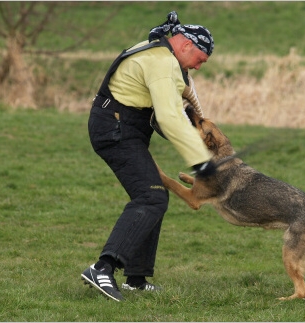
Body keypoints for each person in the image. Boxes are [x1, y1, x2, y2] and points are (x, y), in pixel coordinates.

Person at [81, 11, 216, 302]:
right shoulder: (164, 63)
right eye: (201, 60)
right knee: (151, 196)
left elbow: (167, 114)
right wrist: (202, 161)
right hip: (116, 129)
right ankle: (103, 268)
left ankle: (136, 278)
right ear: (185, 46)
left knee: (153, 195)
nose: (199, 67)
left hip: (120, 126)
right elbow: (169, 118)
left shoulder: (159, 53)